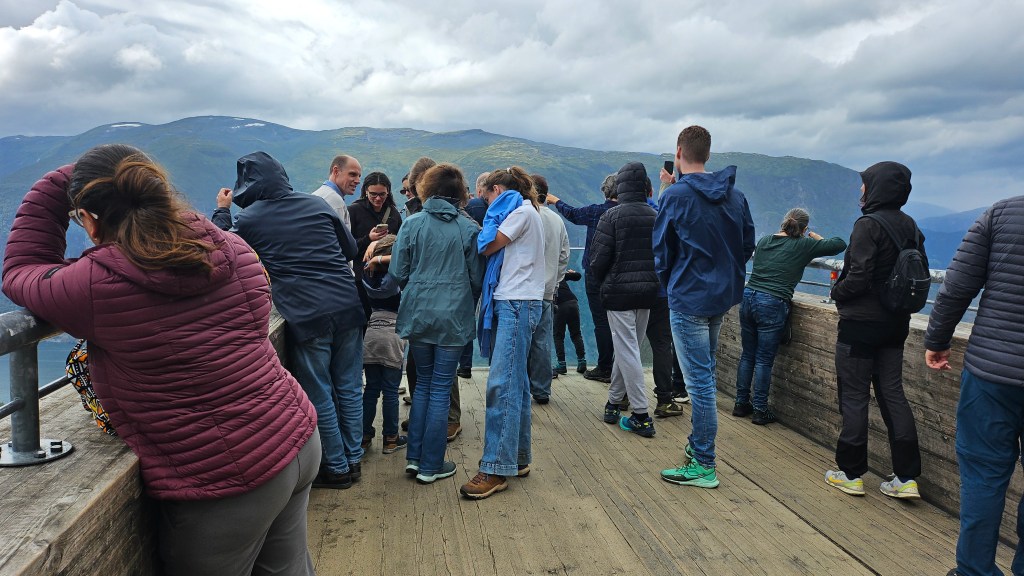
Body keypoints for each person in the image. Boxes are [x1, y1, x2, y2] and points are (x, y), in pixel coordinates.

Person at [2, 144, 319, 575]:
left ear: (90, 220)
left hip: (226, 480)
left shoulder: (95, 285)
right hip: (295, 436)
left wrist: (58, 181)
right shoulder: (232, 247)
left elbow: (21, 270)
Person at [213, 151, 366, 490]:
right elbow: (350, 251)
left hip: (306, 313)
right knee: (349, 386)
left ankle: (337, 469)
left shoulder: (249, 219)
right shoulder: (317, 204)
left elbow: (219, 253)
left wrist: (222, 210)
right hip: (347, 306)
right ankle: (354, 459)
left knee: (320, 392)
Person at [925, 196, 1024, 576]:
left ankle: (974, 570)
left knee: (983, 475)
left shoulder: (1002, 213)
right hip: (993, 372)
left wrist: (937, 340)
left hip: (992, 374)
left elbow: (956, 287)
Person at [655, 125, 755, 489]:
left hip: (688, 298)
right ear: (708, 154)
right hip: (721, 298)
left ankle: (703, 462)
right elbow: (747, 245)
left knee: (699, 384)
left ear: (679, 152)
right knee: (705, 376)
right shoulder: (735, 196)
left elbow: (662, 251)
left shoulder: (674, 196)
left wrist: (672, 285)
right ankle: (698, 448)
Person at [825, 161, 924, 499]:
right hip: (896, 324)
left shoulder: (867, 225)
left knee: (854, 396)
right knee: (893, 394)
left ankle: (851, 473)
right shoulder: (911, 226)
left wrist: (836, 291)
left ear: (876, 188)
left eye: (865, 184)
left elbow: (859, 276)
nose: (861, 190)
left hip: (860, 326)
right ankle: (906, 478)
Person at [390, 163, 483, 484]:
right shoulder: (469, 229)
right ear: (460, 194)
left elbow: (398, 273)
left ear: (426, 189)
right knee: (441, 387)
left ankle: (414, 459)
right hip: (453, 318)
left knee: (423, 386)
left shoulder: (411, 224)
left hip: (418, 314)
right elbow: (477, 278)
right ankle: (431, 465)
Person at [461, 166, 545, 500]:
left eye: (487, 197)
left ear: (498, 190)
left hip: (515, 303)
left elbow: (486, 246)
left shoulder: (519, 213)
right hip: (517, 302)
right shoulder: (526, 212)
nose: (486, 203)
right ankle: (518, 457)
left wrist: (492, 216)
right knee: (516, 383)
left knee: (501, 385)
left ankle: (496, 467)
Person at [733, 208, 846, 425]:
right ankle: (760, 410)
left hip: (748, 297)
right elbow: (839, 244)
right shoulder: (803, 244)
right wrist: (814, 236)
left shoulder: (765, 240)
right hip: (772, 302)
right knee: (764, 359)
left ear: (784, 222)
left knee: (747, 355)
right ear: (803, 228)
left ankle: (740, 403)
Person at [589, 162, 661, 436]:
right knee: (629, 348)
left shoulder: (612, 216)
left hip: (618, 293)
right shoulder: (656, 216)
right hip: (648, 292)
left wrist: (602, 281)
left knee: (627, 350)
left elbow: (598, 259)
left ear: (620, 187)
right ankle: (613, 402)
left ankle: (641, 415)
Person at [546, 174, 619, 383]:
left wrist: (556, 201)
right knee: (620, 322)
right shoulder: (626, 213)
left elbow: (574, 214)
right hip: (619, 274)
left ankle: (605, 367)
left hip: (596, 273)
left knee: (601, 321)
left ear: (605, 190)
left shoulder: (596, 211)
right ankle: (619, 367)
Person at [360, 234, 408, 455]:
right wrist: (381, 257)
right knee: (390, 391)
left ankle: (363, 436)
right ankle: (390, 438)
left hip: (371, 333)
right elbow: (404, 260)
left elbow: (370, 259)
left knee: (371, 389)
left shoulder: (366, 275)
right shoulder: (395, 279)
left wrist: (373, 246)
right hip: (392, 335)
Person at [527, 173, 569, 404]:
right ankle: (542, 390)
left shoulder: (524, 216)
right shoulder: (556, 220)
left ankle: (522, 387)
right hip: (547, 290)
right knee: (542, 342)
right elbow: (564, 256)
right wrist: (556, 280)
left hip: (523, 290)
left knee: (521, 342)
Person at [349, 171, 403, 320]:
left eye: (382, 194)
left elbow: (402, 245)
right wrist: (368, 239)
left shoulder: (393, 213)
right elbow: (346, 247)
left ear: (388, 192)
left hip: (389, 281)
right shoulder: (354, 211)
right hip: (361, 281)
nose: (378, 198)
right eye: (373, 194)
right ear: (366, 191)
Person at [312, 154, 362, 231]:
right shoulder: (335, 201)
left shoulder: (317, 195)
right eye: (352, 174)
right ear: (336, 171)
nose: (358, 181)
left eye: (359, 176)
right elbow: (339, 237)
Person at [553, 269, 587, 375]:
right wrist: (572, 272)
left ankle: (561, 365)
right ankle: (582, 362)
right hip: (573, 302)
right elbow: (578, 276)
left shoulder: (546, 274)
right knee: (576, 334)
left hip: (560, 304)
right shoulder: (559, 273)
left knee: (558, 336)